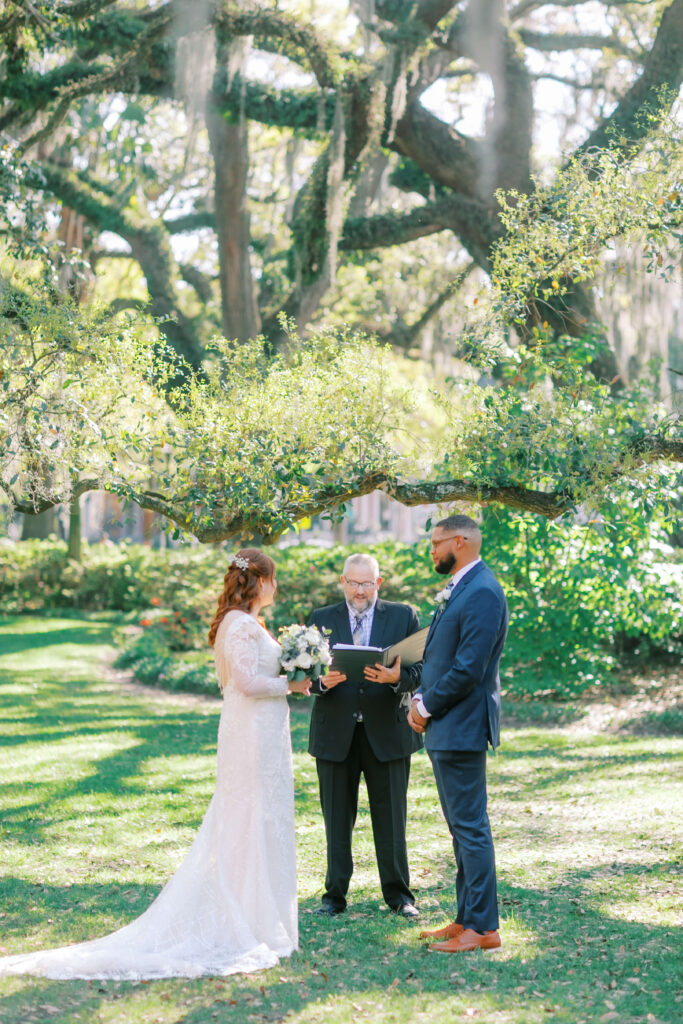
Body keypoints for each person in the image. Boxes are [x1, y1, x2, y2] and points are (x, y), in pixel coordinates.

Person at [0, 549, 310, 980]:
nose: (277, 586)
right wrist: (292, 684)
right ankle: (243, 917)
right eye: (273, 578)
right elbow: (243, 682)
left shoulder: (248, 623)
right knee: (246, 818)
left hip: (261, 733)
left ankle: (256, 911)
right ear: (259, 582)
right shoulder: (239, 625)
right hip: (250, 735)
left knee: (257, 818)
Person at [407, 515, 508, 953]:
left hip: (461, 725)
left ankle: (483, 929)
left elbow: (469, 668)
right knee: (460, 828)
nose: (431, 550)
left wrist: (426, 706)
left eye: (436, 542)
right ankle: (467, 918)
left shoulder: (483, 591)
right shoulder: (463, 586)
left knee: (470, 828)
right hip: (448, 726)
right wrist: (418, 695)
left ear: (460, 541)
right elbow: (440, 655)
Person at [307, 553, 422, 919]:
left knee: (392, 820)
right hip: (335, 732)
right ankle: (334, 896)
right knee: (337, 820)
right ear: (342, 581)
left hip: (387, 731)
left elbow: (423, 669)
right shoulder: (320, 620)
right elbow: (303, 676)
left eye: (367, 583)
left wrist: (397, 679)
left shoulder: (403, 616)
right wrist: (319, 683)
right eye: (354, 583)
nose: (360, 591)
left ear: (379, 582)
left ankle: (400, 896)